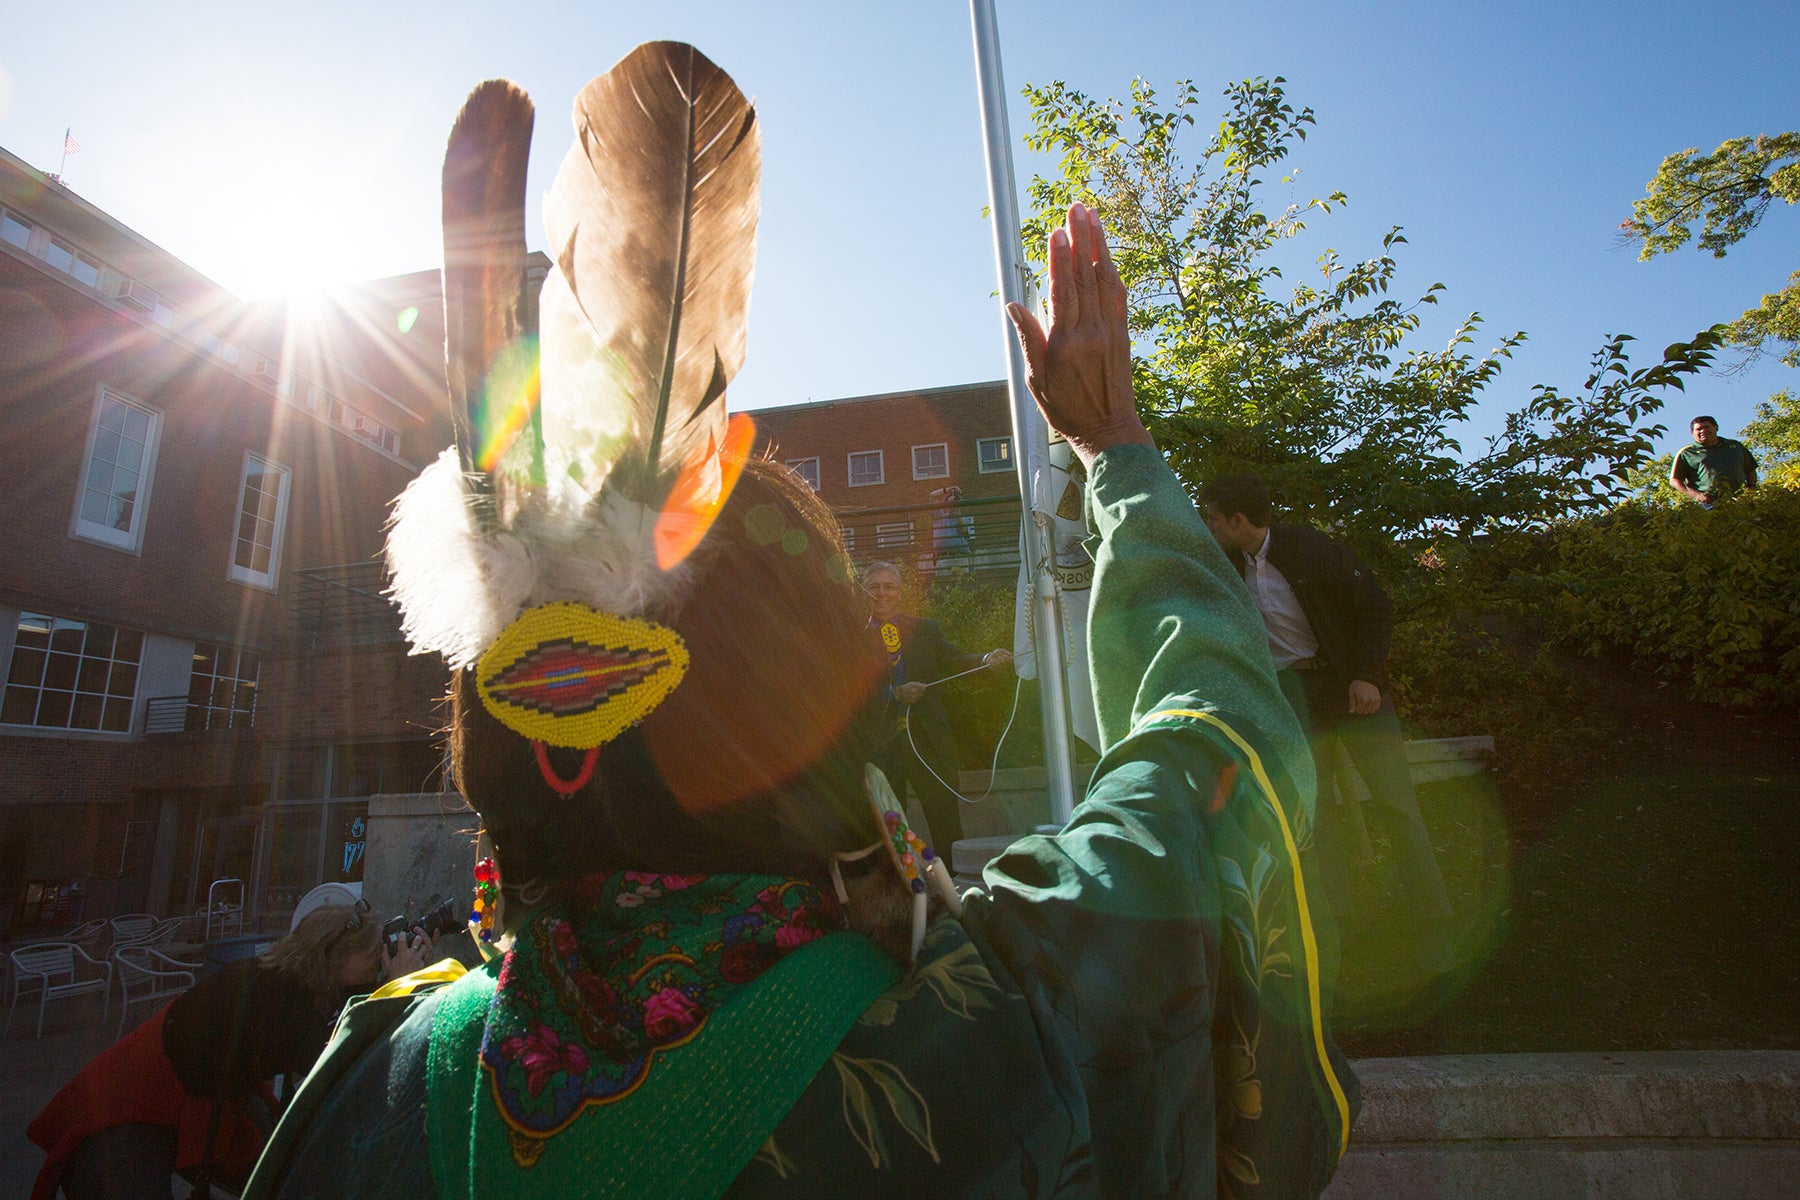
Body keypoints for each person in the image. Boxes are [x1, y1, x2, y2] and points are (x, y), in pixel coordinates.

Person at [243, 51, 1352, 1200]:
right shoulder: (1007, 1025)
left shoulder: (367, 1086)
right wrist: (1116, 456)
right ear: (820, 715)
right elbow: (1215, 743)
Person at [1200, 474, 1455, 977]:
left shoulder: (1310, 547)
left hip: (1350, 691)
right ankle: (1339, 929)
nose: (1207, 528)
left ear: (1237, 521)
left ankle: (1435, 928)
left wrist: (1366, 675)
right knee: (1316, 815)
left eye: (1213, 519)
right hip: (1294, 701)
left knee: (1396, 804)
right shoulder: (1228, 565)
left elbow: (1376, 606)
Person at [28, 903, 429, 1200]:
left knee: (276, 1175)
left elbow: (344, 1019)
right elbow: (341, 1068)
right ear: (333, 956)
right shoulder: (278, 998)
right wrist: (399, 986)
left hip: (183, 1095)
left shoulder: (288, 980)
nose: (379, 963)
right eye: (372, 955)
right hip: (125, 1110)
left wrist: (394, 982)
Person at [862, 559, 1010, 850]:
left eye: (889, 586)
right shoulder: (852, 636)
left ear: (900, 591)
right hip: (880, 744)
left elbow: (955, 660)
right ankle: (896, 887)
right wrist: (895, 693)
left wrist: (985, 660)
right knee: (886, 824)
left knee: (944, 816)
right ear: (864, 592)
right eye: (874, 587)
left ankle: (955, 884)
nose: (882, 593)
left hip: (928, 739)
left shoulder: (925, 629)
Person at [1669, 414, 1758, 506]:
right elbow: (1675, 480)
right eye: (1698, 429)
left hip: (1740, 500)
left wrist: (1752, 488)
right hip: (1708, 503)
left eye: (1707, 427)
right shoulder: (1686, 453)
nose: (1703, 431)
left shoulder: (1734, 446)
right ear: (1692, 433)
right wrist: (1697, 495)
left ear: (1716, 428)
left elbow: (1750, 468)